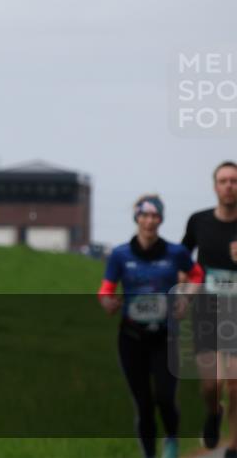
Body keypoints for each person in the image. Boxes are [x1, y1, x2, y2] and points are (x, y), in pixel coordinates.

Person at [98, 194, 198, 458]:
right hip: (132, 338)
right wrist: (107, 302)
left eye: (155, 216)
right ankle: (150, 454)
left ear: (161, 220)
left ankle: (172, 439)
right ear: (137, 218)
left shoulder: (176, 253)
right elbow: (106, 289)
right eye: (144, 215)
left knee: (164, 398)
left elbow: (197, 275)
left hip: (166, 337)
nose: (149, 221)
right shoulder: (120, 254)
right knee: (143, 404)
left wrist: (186, 296)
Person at [182, 160, 237, 455]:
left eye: (234, 181)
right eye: (224, 180)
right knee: (211, 385)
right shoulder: (198, 221)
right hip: (206, 310)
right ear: (215, 186)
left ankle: (234, 445)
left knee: (235, 384)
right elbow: (183, 258)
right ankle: (213, 414)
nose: (229, 186)